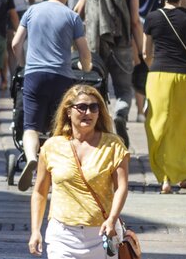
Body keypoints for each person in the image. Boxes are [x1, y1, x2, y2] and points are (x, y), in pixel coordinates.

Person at [28, 84, 130, 257]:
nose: (88, 113)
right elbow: (39, 192)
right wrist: (35, 230)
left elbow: (121, 187)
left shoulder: (113, 145)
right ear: (68, 111)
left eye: (93, 107)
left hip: (102, 233)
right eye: (82, 107)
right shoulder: (52, 146)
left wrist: (112, 219)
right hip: (62, 235)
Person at [12, 0, 92, 192]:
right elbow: (84, 52)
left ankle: (30, 157)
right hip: (62, 78)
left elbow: (15, 43)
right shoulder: (72, 17)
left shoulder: (32, 11)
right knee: (58, 128)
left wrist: (22, 64)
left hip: (35, 75)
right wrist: (86, 67)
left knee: (30, 126)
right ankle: (53, 168)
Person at [142, 0, 186, 195]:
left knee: (158, 124)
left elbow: (145, 52)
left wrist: (154, 68)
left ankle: (165, 177)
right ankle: (185, 173)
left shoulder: (152, 17)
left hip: (158, 75)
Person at [77, 0, 141, 146]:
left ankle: (99, 135)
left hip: (95, 45)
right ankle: (120, 114)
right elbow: (134, 21)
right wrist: (139, 49)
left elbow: (79, 10)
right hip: (122, 44)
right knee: (124, 91)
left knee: (96, 89)